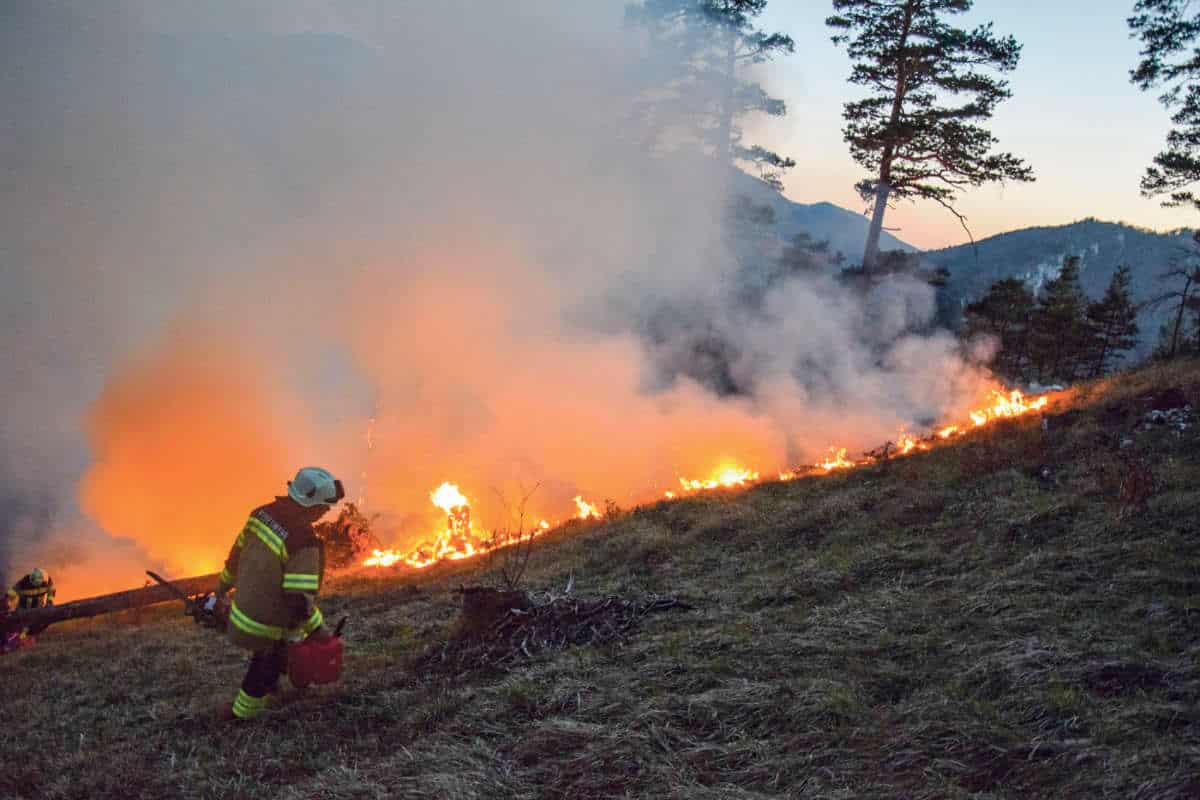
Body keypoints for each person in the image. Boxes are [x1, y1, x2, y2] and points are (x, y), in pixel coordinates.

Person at [216, 467, 343, 720]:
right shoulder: (304, 541)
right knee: (269, 660)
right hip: (261, 627)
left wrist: (220, 589)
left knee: (282, 643)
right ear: (311, 505)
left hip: (237, 614)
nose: (326, 512)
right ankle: (244, 717)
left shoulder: (260, 514)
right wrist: (319, 630)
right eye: (324, 507)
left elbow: (235, 557)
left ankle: (275, 683)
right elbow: (298, 600)